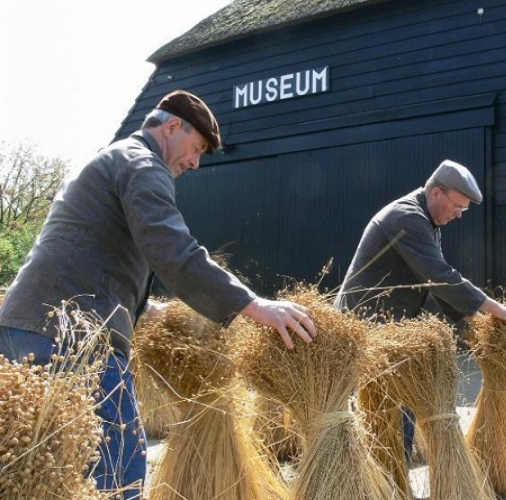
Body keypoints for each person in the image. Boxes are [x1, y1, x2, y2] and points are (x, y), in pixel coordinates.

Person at [0, 89, 317, 498]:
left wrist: (145, 307)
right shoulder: (143, 164)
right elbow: (175, 252)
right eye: (196, 147)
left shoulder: (113, 159)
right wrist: (255, 306)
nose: (194, 162)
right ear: (170, 128)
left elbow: (90, 251)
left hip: (26, 328)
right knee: (120, 471)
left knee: (39, 476)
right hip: (71, 338)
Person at [334, 159, 506, 482]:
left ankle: (389, 475)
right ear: (437, 192)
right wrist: (498, 310)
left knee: (399, 401)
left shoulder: (427, 222)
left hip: (388, 327)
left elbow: (433, 282)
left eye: (463, 211)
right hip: (364, 325)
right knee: (387, 405)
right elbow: (440, 277)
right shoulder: (407, 217)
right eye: (457, 206)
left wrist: (476, 330)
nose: (458, 215)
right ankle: (380, 479)